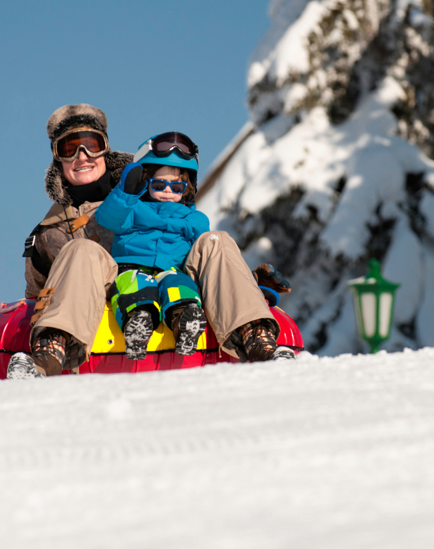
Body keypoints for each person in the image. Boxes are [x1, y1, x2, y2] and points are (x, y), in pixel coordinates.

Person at [7, 104, 294, 380]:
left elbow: (199, 253)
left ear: (105, 147)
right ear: (57, 157)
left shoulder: (146, 185)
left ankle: (257, 338)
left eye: (91, 144)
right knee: (82, 250)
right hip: (107, 296)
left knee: (215, 240)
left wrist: (246, 279)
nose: (82, 156)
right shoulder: (49, 233)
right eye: (69, 149)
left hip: (176, 282)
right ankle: (51, 351)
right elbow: (36, 298)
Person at [95, 134, 209, 360]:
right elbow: (108, 218)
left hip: (172, 269)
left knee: (181, 286)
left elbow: (205, 242)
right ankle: (138, 322)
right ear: (145, 183)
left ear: (186, 189)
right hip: (132, 267)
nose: (168, 191)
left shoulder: (193, 218)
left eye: (177, 186)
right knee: (136, 287)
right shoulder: (133, 209)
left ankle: (185, 321)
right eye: (159, 184)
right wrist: (125, 194)